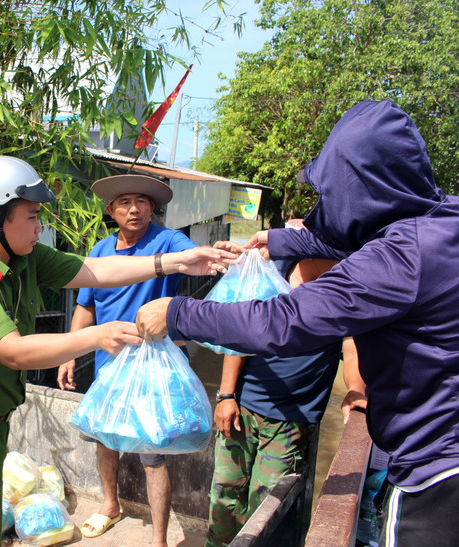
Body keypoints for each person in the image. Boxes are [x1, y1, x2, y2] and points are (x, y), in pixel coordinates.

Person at [136, 100, 459, 546]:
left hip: (438, 475)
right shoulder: (441, 221)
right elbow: (341, 233)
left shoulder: (399, 258)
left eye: (331, 193)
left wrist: (177, 313)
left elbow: (281, 322)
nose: (326, 206)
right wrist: (280, 238)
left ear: (359, 188)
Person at [0, 155, 235, 546]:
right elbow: (13, 352)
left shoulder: (24, 259)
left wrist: (174, 262)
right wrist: (96, 337)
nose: (40, 226)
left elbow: (95, 270)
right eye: (32, 216)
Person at [56, 174, 196, 545]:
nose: (134, 209)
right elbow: (86, 306)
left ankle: (160, 539)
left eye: (142, 202)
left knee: (152, 452)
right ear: (111, 211)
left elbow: (188, 256)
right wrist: (69, 353)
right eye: (125, 203)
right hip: (109, 366)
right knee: (106, 438)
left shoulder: (167, 241)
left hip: (151, 369)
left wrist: (212, 255)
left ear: (153, 207)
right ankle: (109, 504)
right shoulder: (100, 251)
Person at [206, 254, 366, 546]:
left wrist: (355, 388)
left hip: (291, 418)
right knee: (225, 490)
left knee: (266, 502)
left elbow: (352, 349)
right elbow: (241, 337)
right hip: (244, 406)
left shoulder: (344, 289)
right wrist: (226, 395)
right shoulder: (271, 276)